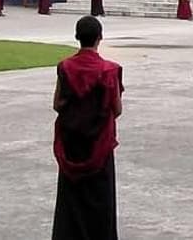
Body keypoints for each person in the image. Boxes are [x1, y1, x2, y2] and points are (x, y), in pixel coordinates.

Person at [52, 16, 123, 240]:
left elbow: (57, 104)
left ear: (77, 37)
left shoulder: (65, 67)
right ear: (100, 38)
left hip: (71, 144)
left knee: (71, 198)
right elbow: (117, 109)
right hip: (99, 144)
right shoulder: (109, 70)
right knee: (100, 197)